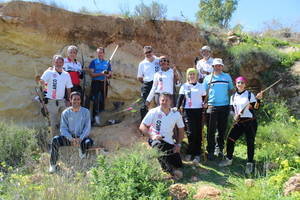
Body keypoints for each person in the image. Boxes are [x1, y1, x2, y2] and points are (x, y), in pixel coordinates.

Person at [219, 76, 263, 174]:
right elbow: (231, 109)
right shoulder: (233, 96)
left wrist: (258, 100)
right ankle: (229, 159)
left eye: (242, 83)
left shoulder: (249, 95)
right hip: (239, 121)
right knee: (230, 139)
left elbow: (255, 108)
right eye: (238, 83)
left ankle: (249, 163)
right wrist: (234, 116)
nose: (240, 84)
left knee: (250, 142)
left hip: (250, 122)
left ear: (245, 84)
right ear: (236, 84)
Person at [139, 93, 185, 177]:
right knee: (158, 147)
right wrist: (152, 135)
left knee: (178, 164)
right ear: (159, 101)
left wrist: (178, 144)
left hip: (169, 141)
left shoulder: (176, 114)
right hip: (156, 139)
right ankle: (170, 171)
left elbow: (181, 129)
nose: (164, 102)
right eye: (162, 100)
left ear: (171, 102)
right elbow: (142, 126)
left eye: (166, 100)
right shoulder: (153, 112)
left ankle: (171, 165)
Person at [49, 91, 93, 173]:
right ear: (70, 100)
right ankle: (53, 165)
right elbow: (63, 128)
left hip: (81, 138)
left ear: (80, 100)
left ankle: (82, 154)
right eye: (74, 99)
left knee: (89, 142)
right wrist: (70, 138)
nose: (76, 101)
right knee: (55, 140)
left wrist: (80, 138)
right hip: (69, 138)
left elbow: (87, 127)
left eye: (78, 99)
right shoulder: (66, 113)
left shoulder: (85, 112)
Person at [203, 58, 234, 160]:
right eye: (216, 65)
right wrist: (204, 103)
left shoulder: (227, 76)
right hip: (211, 106)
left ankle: (219, 149)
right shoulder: (208, 78)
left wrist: (231, 105)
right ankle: (210, 151)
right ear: (213, 66)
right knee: (211, 130)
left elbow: (232, 90)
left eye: (220, 65)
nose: (218, 67)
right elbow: (203, 93)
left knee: (222, 130)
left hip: (224, 106)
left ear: (222, 66)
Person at [176, 68, 206, 164]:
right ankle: (190, 152)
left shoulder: (201, 86)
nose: (192, 76)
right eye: (190, 74)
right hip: (188, 112)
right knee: (190, 132)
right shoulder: (184, 86)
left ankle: (197, 153)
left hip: (199, 111)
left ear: (196, 76)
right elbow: (180, 99)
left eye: (193, 74)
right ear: (187, 76)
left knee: (198, 132)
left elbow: (204, 99)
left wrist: (205, 105)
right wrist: (176, 109)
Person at [40, 55, 73, 137]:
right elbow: (41, 82)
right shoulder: (49, 72)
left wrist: (69, 100)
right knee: (52, 123)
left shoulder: (66, 74)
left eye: (60, 62)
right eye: (56, 62)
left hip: (62, 101)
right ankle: (52, 142)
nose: (59, 64)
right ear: (53, 63)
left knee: (65, 121)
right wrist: (44, 94)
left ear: (63, 63)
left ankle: (63, 139)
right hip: (51, 101)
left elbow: (69, 88)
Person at [88, 47, 112, 125]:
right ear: (97, 53)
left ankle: (102, 119)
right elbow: (92, 74)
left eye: (101, 52)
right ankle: (94, 119)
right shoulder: (93, 62)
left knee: (102, 100)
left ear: (104, 54)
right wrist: (101, 73)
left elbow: (109, 75)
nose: (100, 54)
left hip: (104, 83)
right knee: (95, 101)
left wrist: (108, 75)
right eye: (98, 52)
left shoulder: (107, 63)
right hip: (96, 83)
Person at [137, 46, 160, 121]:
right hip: (147, 84)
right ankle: (144, 125)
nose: (148, 54)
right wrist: (146, 83)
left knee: (158, 104)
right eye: (146, 53)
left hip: (158, 84)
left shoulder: (158, 60)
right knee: (145, 105)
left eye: (149, 52)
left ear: (152, 52)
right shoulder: (142, 64)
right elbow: (139, 77)